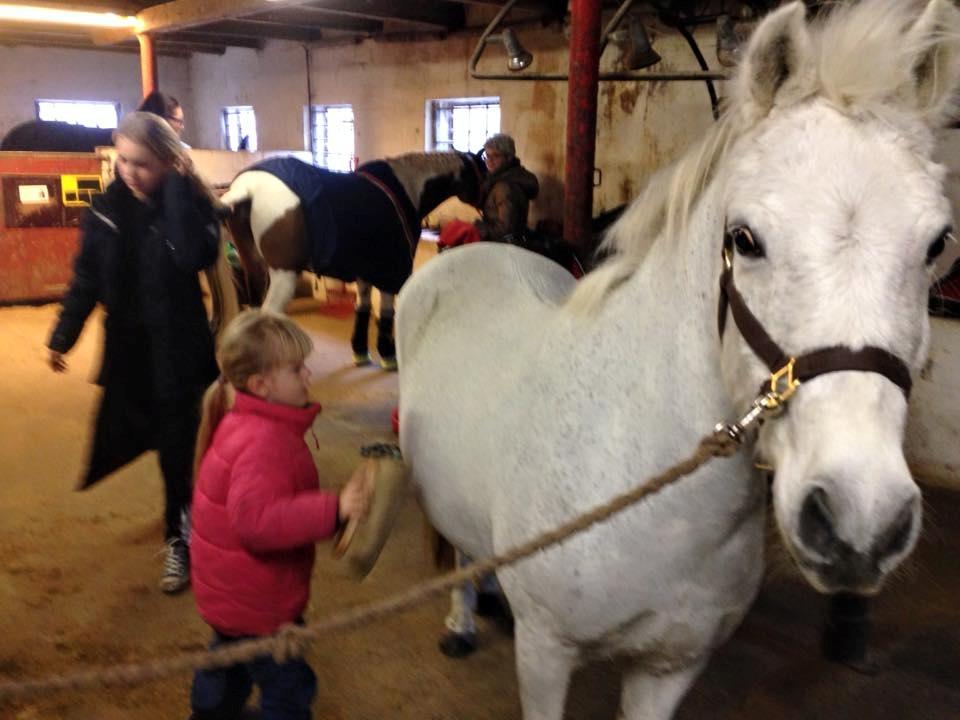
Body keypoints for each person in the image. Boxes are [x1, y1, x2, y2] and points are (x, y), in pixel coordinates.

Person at [47, 111, 221, 594]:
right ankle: (184, 514)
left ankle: (179, 539)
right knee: (138, 434)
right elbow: (86, 277)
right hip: (129, 354)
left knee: (178, 449)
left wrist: (181, 193)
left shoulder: (192, 207)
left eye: (142, 163)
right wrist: (64, 335)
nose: (129, 171)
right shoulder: (103, 210)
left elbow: (193, 256)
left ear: (169, 162)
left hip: (178, 354)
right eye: (123, 159)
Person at [188, 310, 371, 720]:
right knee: (288, 688)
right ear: (261, 385)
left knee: (227, 665)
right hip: (261, 603)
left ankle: (208, 713)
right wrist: (335, 507)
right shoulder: (265, 442)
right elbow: (255, 522)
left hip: (230, 594)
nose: (308, 374)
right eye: (296, 368)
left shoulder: (241, 420)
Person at [475, 133, 539, 242]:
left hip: (503, 249)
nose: (489, 160)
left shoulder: (505, 187)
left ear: (508, 157)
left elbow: (507, 231)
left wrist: (476, 226)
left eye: (495, 156)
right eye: (487, 155)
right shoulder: (494, 180)